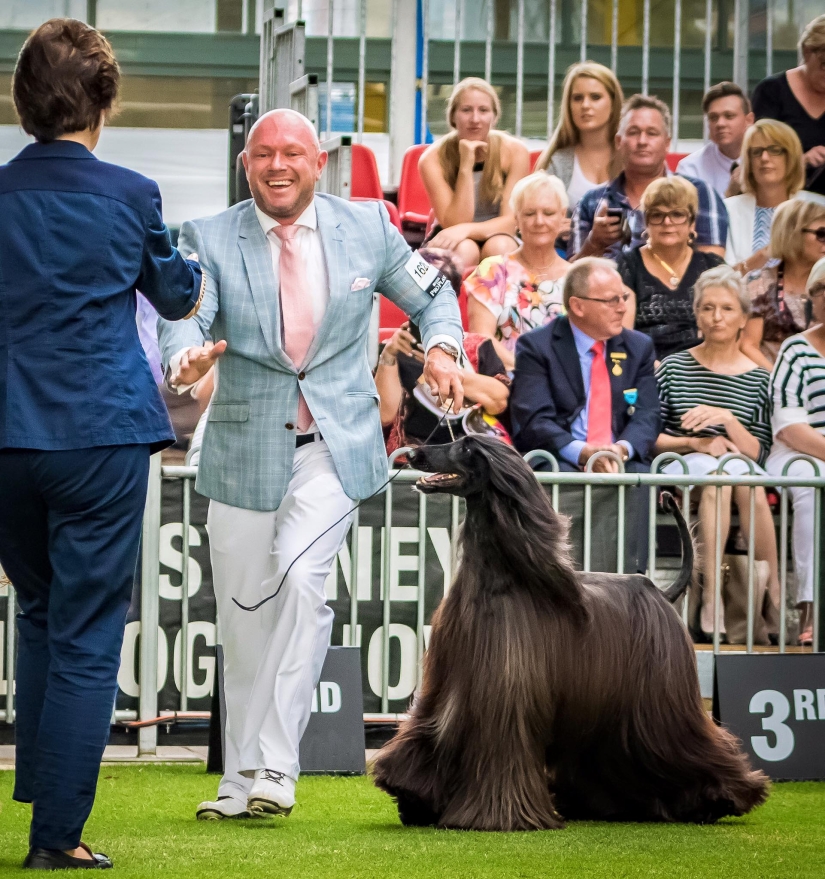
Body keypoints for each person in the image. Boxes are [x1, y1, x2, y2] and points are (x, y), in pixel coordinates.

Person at [157, 109, 464, 823]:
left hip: (334, 448)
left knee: (301, 581)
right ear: (246, 164)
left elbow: (432, 293)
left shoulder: (367, 226)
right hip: (238, 453)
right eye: (263, 154)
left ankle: (276, 767)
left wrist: (443, 346)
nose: (277, 165)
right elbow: (186, 317)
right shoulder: (206, 236)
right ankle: (239, 778)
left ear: (317, 161)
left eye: (291, 152)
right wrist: (184, 360)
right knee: (241, 621)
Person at [0, 19, 204, 870]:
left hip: (8, 436)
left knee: (41, 610)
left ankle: (42, 796)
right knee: (85, 631)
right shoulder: (130, 193)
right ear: (105, 103)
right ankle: (56, 834)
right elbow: (179, 293)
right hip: (101, 434)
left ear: (23, 102)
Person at [654, 266, 778, 642]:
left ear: (743, 318)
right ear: (696, 314)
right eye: (708, 308)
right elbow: (652, 437)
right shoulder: (675, 367)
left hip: (738, 465)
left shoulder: (759, 378)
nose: (716, 317)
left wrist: (726, 419)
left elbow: (758, 451)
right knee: (720, 477)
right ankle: (712, 600)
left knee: (745, 480)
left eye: (726, 308)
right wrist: (695, 442)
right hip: (685, 461)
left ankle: (768, 598)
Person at [570, 94, 728, 261]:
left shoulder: (700, 194)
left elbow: (713, 270)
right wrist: (594, 243)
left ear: (667, 143)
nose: (642, 141)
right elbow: (570, 277)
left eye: (651, 133)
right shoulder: (591, 202)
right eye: (633, 132)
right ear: (618, 141)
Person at [766, 256, 825, 647]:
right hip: (799, 453)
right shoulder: (795, 350)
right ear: (814, 298)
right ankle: (812, 608)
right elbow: (789, 427)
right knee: (814, 485)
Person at [464, 172, 571, 371]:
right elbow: (481, 339)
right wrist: (531, 372)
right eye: (529, 213)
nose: (539, 221)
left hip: (566, 383)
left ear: (562, 216)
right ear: (517, 219)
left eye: (548, 213)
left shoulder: (576, 278)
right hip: (507, 380)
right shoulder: (493, 271)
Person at [420, 77, 530, 266]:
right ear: (453, 116)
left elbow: (510, 223)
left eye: (483, 110)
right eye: (466, 110)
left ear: (494, 117)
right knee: (465, 250)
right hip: (451, 234)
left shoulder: (515, 151)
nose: (475, 119)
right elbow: (454, 223)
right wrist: (466, 165)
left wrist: (467, 230)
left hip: (500, 234)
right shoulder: (431, 158)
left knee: (500, 247)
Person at [617, 177, 723, 361]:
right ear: (646, 223)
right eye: (657, 215)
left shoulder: (713, 267)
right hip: (647, 367)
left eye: (677, 214)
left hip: (704, 369)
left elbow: (727, 329)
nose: (667, 222)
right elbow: (625, 336)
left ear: (692, 223)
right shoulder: (627, 266)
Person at [740, 191, 825, 370]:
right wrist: (780, 380)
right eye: (821, 234)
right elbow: (748, 345)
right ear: (792, 233)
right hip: (768, 382)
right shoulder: (759, 282)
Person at [534, 61, 624, 207]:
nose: (585, 105)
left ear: (614, 104)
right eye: (577, 98)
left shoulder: (634, 157)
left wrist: (572, 223)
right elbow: (538, 219)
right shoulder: (556, 162)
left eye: (595, 97)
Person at [751, 15, 825, 192]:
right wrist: (802, 160)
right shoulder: (772, 91)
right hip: (785, 200)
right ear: (807, 52)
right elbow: (758, 154)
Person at [724, 119, 805, 271]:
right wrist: (761, 256)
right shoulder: (728, 210)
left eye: (774, 150)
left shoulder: (817, 208)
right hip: (742, 294)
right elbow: (720, 279)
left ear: (791, 157)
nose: (764, 158)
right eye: (757, 152)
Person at [676, 82, 754, 200]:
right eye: (713, 118)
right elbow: (690, 215)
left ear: (748, 120)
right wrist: (729, 194)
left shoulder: (766, 159)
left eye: (729, 116)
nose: (720, 124)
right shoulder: (691, 169)